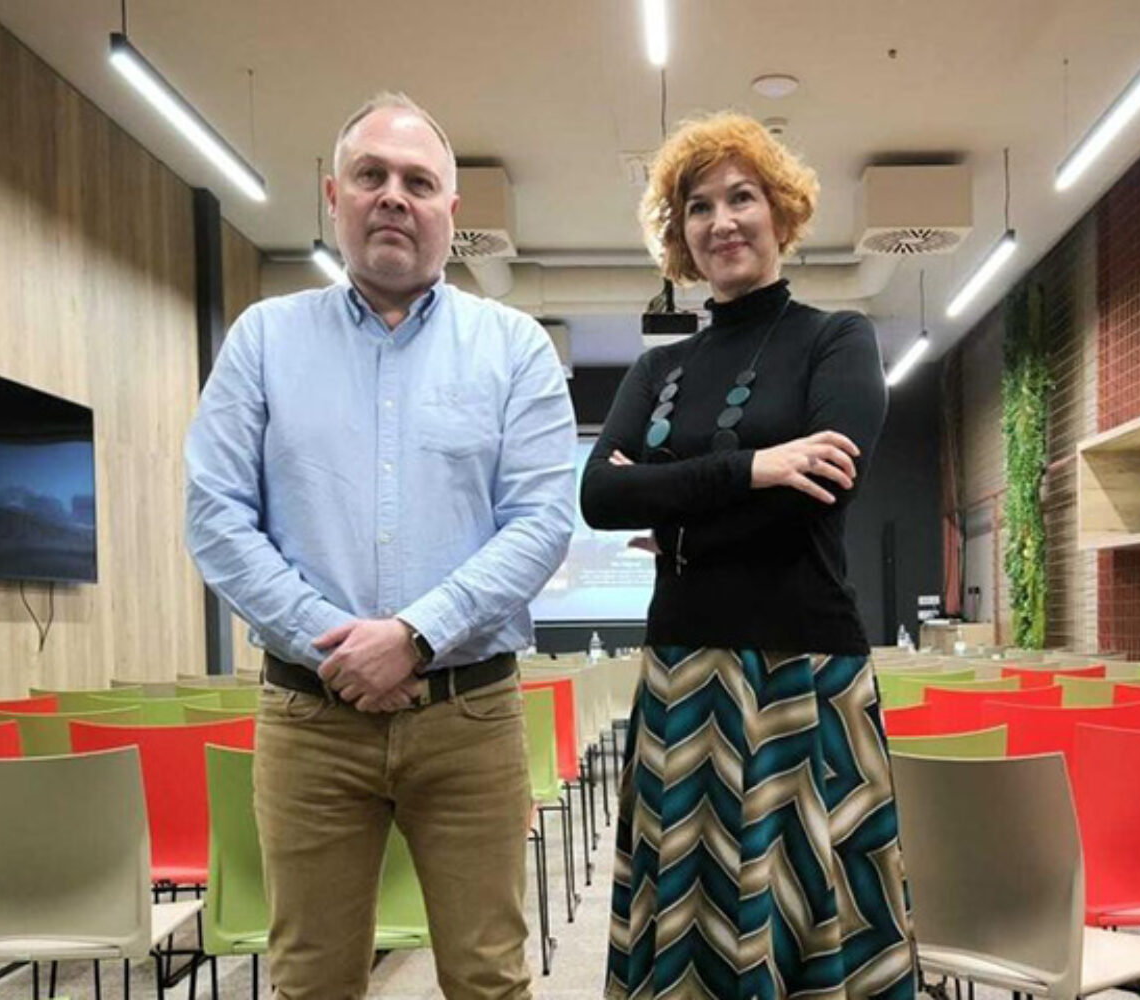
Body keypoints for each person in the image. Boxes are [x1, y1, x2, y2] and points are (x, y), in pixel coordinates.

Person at [185, 92, 576, 1000]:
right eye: (371, 176)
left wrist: (413, 636)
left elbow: (541, 521)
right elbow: (216, 515)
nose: (394, 196)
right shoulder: (263, 340)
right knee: (311, 981)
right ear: (334, 196)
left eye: (418, 182)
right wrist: (336, 645)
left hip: (469, 717)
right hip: (310, 719)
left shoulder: (514, 348)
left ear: (451, 210)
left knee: (489, 979)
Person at [582, 112, 916, 999]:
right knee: (692, 923)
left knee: (811, 913)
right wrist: (758, 467)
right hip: (684, 671)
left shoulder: (838, 339)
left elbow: (824, 488)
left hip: (804, 670)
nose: (722, 220)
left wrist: (675, 513)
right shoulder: (656, 372)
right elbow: (600, 497)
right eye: (699, 206)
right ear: (681, 234)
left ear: (781, 211)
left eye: (742, 197)